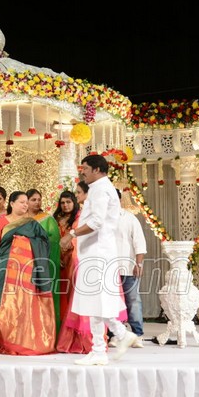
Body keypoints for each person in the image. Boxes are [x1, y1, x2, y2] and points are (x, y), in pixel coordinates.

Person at [70, 154, 138, 366]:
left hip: (98, 252)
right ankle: (102, 347)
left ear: (97, 170)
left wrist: (71, 234)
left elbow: (97, 222)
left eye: (85, 168)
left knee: (97, 300)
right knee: (95, 302)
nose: (83, 172)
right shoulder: (100, 188)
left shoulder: (100, 189)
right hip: (97, 251)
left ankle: (108, 343)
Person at [0, 191, 56, 355]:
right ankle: (7, 341)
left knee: (25, 306)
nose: (25, 205)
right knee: (6, 305)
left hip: (28, 274)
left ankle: (26, 341)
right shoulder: (1, 222)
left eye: (26, 202)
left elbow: (44, 244)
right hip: (5, 271)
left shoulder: (32, 223)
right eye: (22, 202)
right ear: (12, 203)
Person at [56, 182, 91, 354]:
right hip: (59, 261)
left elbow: (79, 238)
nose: (65, 205)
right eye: (62, 202)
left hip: (74, 260)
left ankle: (78, 337)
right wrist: (58, 256)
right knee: (62, 295)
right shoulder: (56, 219)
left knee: (74, 296)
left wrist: (68, 247)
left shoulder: (80, 218)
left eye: (69, 202)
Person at [27, 188, 62, 328]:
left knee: (46, 294)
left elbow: (54, 242)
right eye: (33, 200)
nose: (37, 202)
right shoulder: (20, 219)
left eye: (39, 199)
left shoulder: (48, 219)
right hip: (25, 263)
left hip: (45, 262)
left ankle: (48, 329)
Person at [115, 189, 146, 342]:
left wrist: (138, 263)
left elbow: (139, 242)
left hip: (127, 267)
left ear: (119, 200)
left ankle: (137, 334)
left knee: (133, 301)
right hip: (108, 269)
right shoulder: (102, 219)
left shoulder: (129, 218)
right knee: (112, 302)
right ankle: (115, 334)